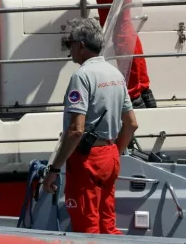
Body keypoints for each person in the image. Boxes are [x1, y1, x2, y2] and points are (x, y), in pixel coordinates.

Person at [42, 17, 139, 234]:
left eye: (70, 44)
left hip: (87, 161)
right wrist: (115, 151)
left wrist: (54, 169)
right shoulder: (116, 74)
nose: (70, 50)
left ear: (81, 46)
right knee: (107, 224)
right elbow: (131, 124)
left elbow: (76, 130)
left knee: (86, 227)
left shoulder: (82, 76)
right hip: (110, 155)